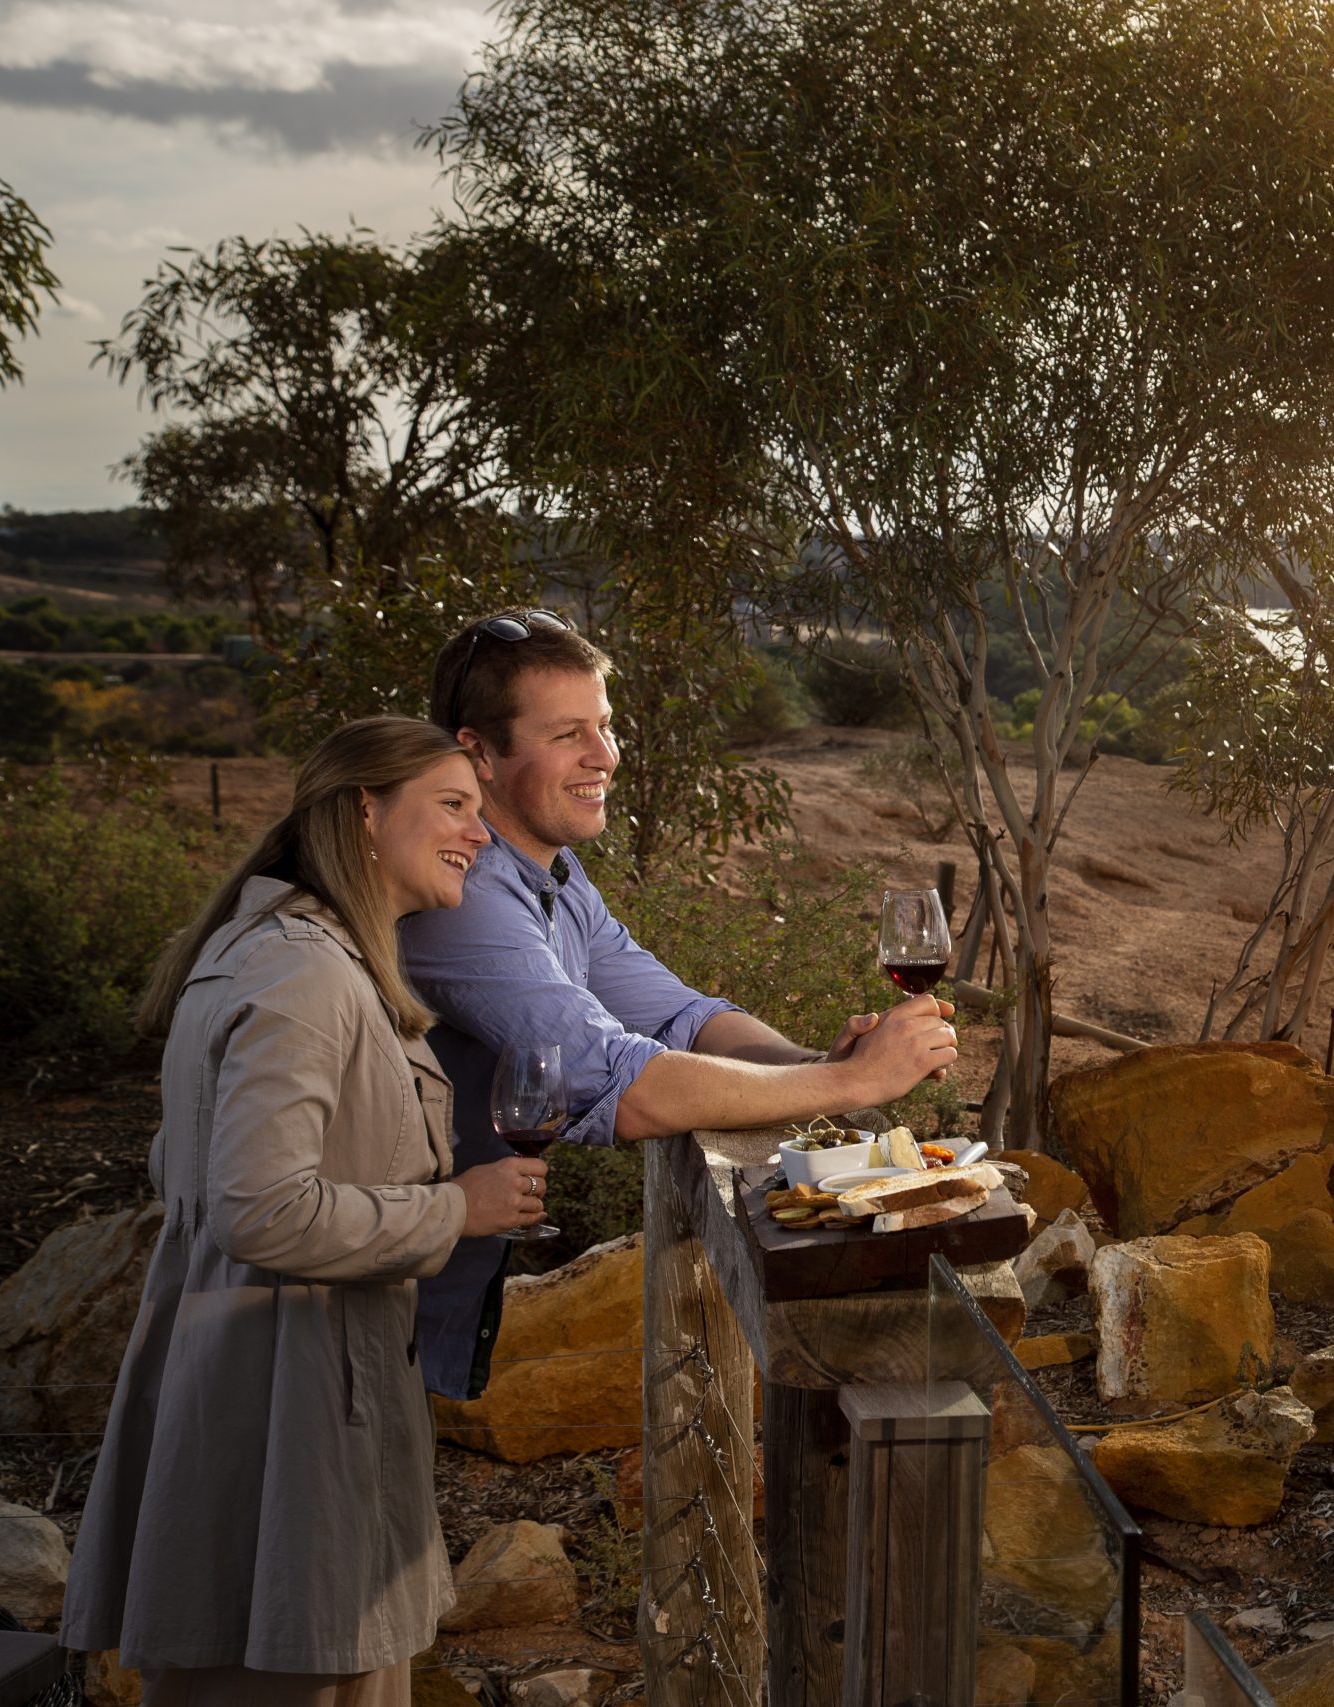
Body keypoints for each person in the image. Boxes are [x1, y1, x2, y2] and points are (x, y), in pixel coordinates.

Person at [61, 717, 549, 1705]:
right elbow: (257, 1208)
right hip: (289, 1419)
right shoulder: (306, 975)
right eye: (453, 805)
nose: (480, 832)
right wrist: (450, 1211)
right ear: (365, 811)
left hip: (259, 1389)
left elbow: (184, 1167)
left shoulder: (278, 951)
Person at [400, 609, 958, 1398]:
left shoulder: (554, 875)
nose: (605, 756)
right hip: (352, 1303)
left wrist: (813, 1063)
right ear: (479, 753)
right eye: (567, 734)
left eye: (605, 725)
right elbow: (625, 1085)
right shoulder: (468, 897)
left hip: (423, 1294)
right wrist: (851, 1084)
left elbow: (681, 1016)